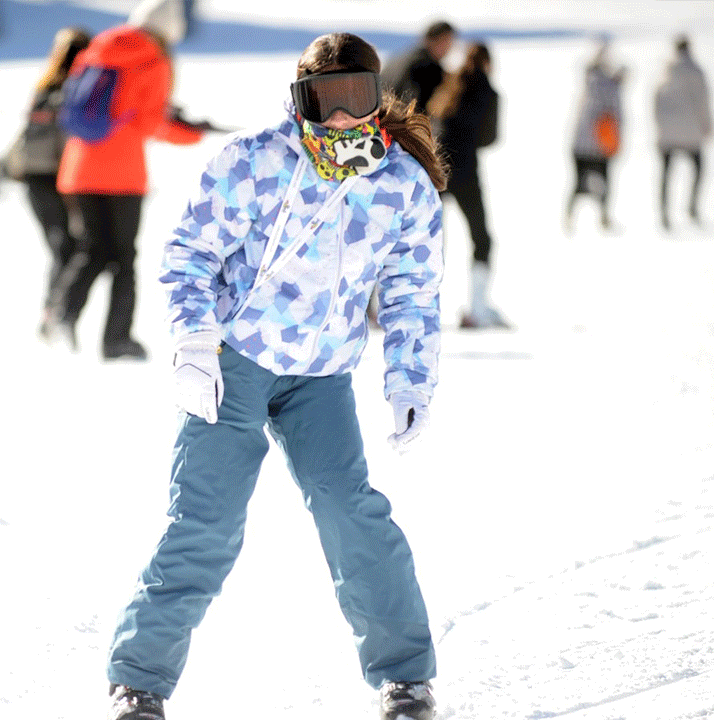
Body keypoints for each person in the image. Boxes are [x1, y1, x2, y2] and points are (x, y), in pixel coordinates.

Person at [103, 31, 445, 720]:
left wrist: (409, 380)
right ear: (301, 98)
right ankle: (139, 682)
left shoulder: (401, 185)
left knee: (352, 513)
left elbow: (413, 293)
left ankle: (405, 677)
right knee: (206, 522)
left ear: (376, 97)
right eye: (325, 98)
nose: (341, 115)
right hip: (236, 361)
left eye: (356, 96)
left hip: (322, 375)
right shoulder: (255, 161)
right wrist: (194, 342)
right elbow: (191, 253)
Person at [51, 0, 208, 361]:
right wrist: (192, 133)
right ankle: (117, 339)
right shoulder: (153, 58)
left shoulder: (98, 47)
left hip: (78, 166)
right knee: (124, 258)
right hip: (123, 172)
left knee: (91, 248)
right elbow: (150, 122)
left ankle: (62, 316)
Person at [4, 26, 92, 342]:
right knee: (69, 246)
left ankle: (53, 313)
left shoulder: (45, 87)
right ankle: (56, 314)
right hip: (59, 175)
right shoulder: (78, 89)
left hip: (34, 177)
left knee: (63, 245)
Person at [427, 42, 507, 329]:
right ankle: (477, 308)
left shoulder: (449, 86)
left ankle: (423, 305)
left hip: (436, 169)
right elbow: (489, 137)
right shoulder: (488, 92)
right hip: (466, 173)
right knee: (481, 238)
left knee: (431, 241)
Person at [565, 38, 625, 234]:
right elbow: (615, 116)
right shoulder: (609, 86)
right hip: (600, 145)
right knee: (604, 183)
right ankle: (603, 217)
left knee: (578, 183)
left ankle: (570, 215)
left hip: (581, 144)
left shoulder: (589, 82)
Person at [654, 36, 713, 231]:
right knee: (698, 169)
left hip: (668, 131)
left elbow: (657, 100)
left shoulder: (666, 70)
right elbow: (703, 101)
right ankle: (692, 207)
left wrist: (659, 127)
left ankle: (664, 212)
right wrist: (707, 125)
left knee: (667, 173)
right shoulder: (696, 71)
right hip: (691, 130)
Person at [381, 21, 456, 113]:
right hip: (398, 115)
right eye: (445, 41)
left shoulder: (404, 57)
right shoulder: (426, 67)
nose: (448, 47)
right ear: (431, 40)